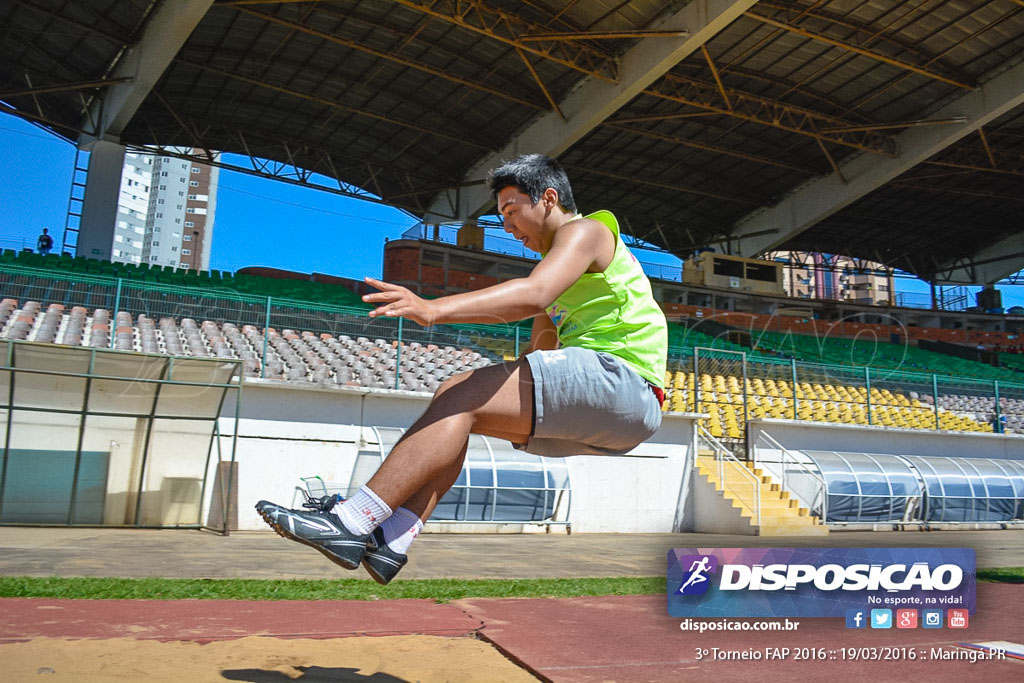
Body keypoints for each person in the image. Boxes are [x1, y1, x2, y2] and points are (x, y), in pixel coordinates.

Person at [256, 154, 668, 584]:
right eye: (501, 217)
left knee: (460, 393)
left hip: (623, 381)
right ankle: (392, 538)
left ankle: (352, 522)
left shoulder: (586, 231)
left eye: (511, 212)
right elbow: (540, 346)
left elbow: (532, 294)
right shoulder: (564, 276)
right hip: (626, 412)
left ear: (549, 198)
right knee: (457, 409)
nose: (508, 227)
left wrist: (431, 309)